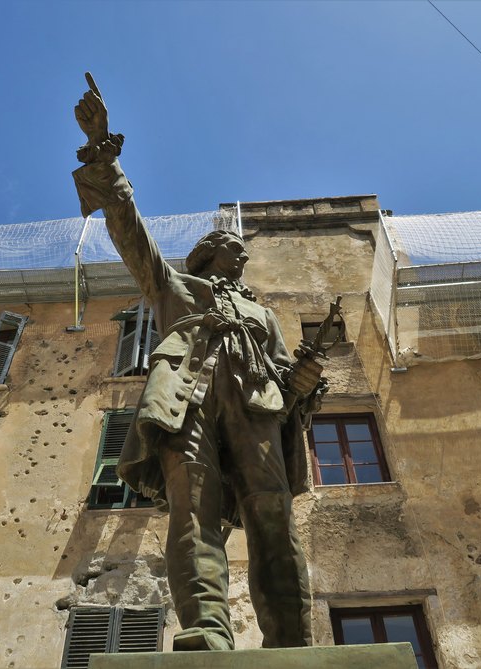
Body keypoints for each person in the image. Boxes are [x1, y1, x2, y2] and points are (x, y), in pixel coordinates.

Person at [72, 73, 323, 651]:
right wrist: (102, 153)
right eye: (230, 247)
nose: (241, 251)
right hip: (187, 397)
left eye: (242, 250)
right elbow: (130, 233)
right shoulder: (175, 288)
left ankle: (290, 640)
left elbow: (288, 379)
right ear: (207, 257)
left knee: (274, 516)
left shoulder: (264, 315)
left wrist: (304, 382)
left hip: (257, 404)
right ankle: (208, 629)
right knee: (192, 513)